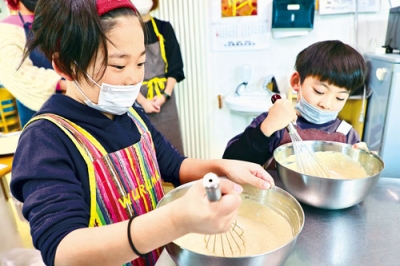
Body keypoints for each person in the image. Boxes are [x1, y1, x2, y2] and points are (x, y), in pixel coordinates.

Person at [10, 1, 275, 265]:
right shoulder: (45, 141)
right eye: (118, 66)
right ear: (66, 65)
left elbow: (174, 165)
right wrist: (173, 220)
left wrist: (222, 167)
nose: (134, 79)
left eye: (140, 63)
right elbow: (63, 251)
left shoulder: (132, 114)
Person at [223, 40, 368, 167]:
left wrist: (361, 161)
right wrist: (266, 129)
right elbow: (231, 162)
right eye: (319, 91)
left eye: (340, 98)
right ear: (296, 82)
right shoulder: (277, 124)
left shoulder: (347, 135)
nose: (327, 104)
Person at [131, 0, 185, 155]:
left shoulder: (164, 28)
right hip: (137, 97)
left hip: (164, 98)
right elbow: (124, 74)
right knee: (143, 150)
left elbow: (175, 67)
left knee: (172, 146)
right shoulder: (127, 33)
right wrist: (142, 101)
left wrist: (164, 95)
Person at [0, 0, 66, 127]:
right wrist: (64, 85)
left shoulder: (58, 22)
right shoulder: (7, 29)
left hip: (77, 102)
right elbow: (17, 73)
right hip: (40, 110)